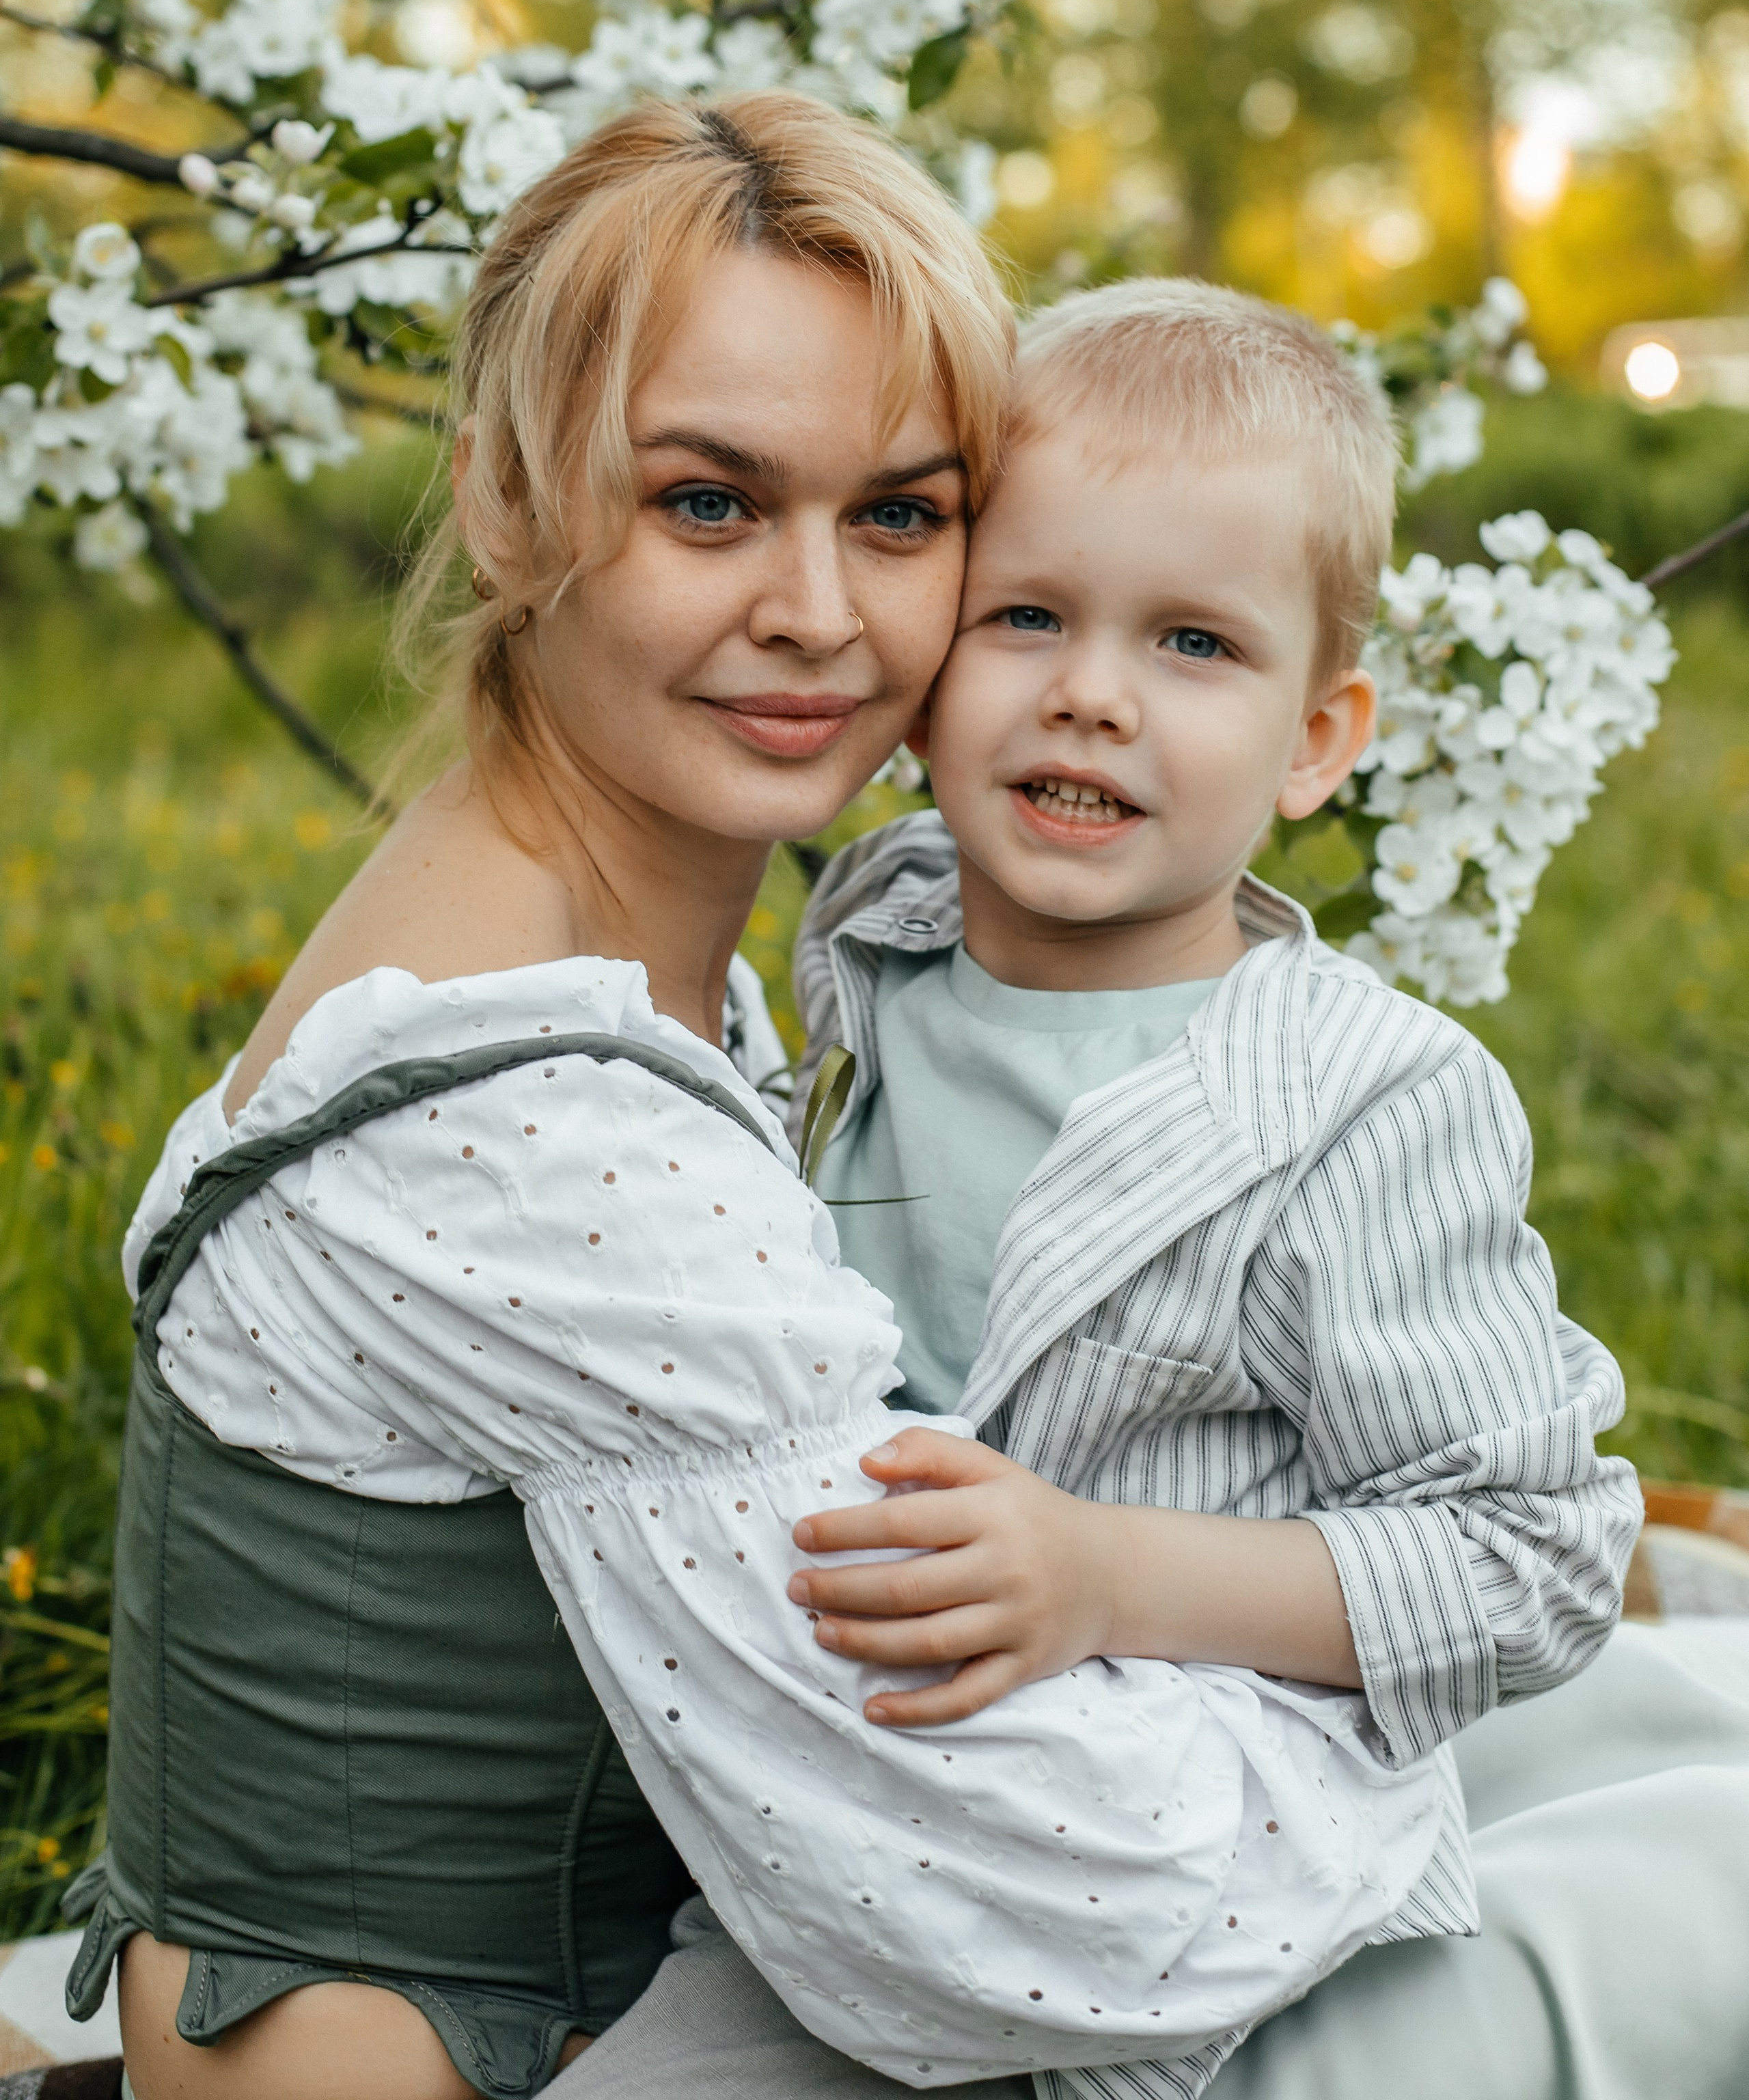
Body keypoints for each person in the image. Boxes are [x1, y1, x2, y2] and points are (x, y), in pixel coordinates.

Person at [76, 110, 1444, 2100]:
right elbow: (1080, 1911)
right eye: (710, 505)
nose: (820, 610)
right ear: (505, 504)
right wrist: (1411, 1731)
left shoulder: (557, 951)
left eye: (900, 515)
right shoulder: (534, 1133)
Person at [560, 273, 1745, 2100]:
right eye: (1026, 614)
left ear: (1319, 740)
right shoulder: (869, 938)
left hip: (1215, 1875)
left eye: (1194, 644)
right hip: (844, 1817)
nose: (1093, 697)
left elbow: (1527, 1557)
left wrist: (1106, 1574)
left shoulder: (1359, 1108)